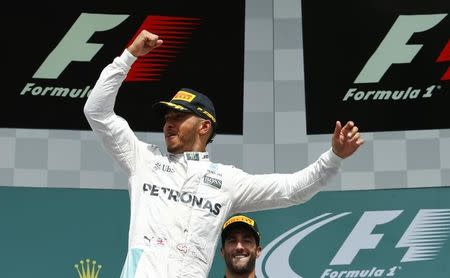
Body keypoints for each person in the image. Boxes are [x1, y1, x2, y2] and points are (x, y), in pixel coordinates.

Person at [83, 29, 364, 278]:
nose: (169, 123)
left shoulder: (227, 181)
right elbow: (96, 111)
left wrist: (333, 157)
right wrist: (128, 56)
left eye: (179, 117)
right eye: (167, 117)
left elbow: (293, 190)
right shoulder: (144, 160)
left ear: (204, 126)